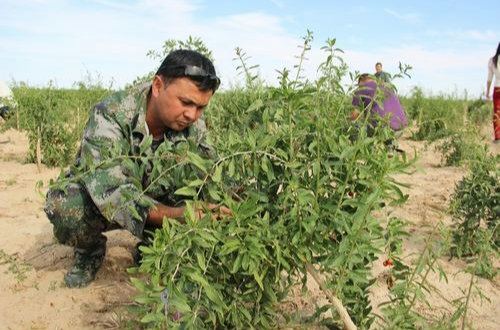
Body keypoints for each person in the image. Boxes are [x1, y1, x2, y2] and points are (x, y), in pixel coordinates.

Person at [44, 49, 230, 288]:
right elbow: (113, 195)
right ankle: (89, 249)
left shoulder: (193, 122)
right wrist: (183, 215)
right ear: (157, 85)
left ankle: (153, 242)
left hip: (154, 196)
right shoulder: (110, 114)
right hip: (107, 200)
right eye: (186, 103)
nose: (192, 115)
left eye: (201, 107)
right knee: (64, 205)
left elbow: (210, 168)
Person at [351, 74, 408, 153]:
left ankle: (357, 152)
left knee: (354, 127)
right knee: (382, 122)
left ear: (361, 82)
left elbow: (354, 115)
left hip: (382, 127)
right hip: (401, 127)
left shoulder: (361, 89)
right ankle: (390, 146)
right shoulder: (387, 87)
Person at [486, 42, 500, 142]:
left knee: (497, 113)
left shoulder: (492, 60)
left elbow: (489, 79)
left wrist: (487, 92)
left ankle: (498, 137)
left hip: (497, 88)